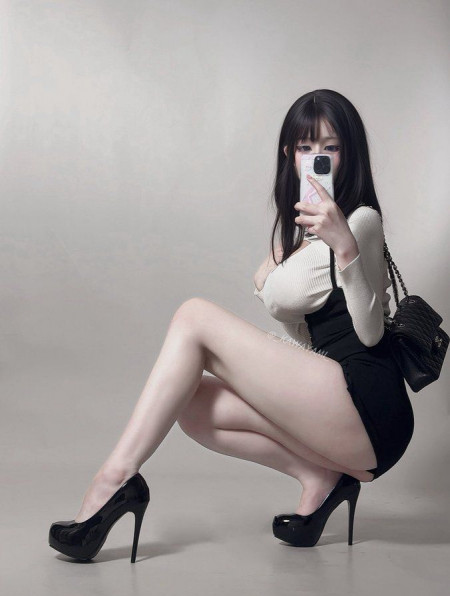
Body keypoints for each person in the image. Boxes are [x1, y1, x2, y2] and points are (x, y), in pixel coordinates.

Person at [49, 89, 414, 559]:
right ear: (289, 155)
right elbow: (310, 339)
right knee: (193, 405)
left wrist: (344, 247)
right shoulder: (304, 236)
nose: (317, 159)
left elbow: (369, 334)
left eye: (331, 147)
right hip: (335, 404)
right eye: (305, 148)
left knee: (193, 317)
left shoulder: (360, 221)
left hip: (371, 406)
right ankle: (320, 478)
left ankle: (113, 480)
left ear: (351, 153)